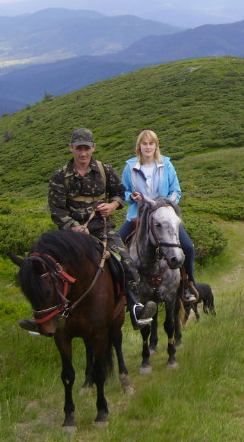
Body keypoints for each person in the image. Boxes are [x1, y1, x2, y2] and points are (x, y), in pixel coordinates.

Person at [18, 128, 157, 332]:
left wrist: (112, 206)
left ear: (93, 147)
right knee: (39, 266)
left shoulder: (104, 170)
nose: (82, 153)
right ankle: (42, 316)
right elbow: (56, 209)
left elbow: (120, 193)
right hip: (71, 235)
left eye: (86, 148)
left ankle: (135, 306)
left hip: (101, 228)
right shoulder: (60, 176)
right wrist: (73, 227)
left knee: (126, 261)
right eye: (78, 148)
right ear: (71, 148)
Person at [119, 130, 198, 303]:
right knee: (116, 247)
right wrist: (131, 197)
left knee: (188, 247)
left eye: (151, 143)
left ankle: (187, 284)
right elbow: (122, 191)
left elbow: (176, 190)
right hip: (137, 216)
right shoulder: (130, 167)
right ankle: (122, 290)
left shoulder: (167, 165)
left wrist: (166, 205)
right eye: (144, 143)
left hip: (163, 217)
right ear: (139, 146)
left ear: (156, 146)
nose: (148, 147)